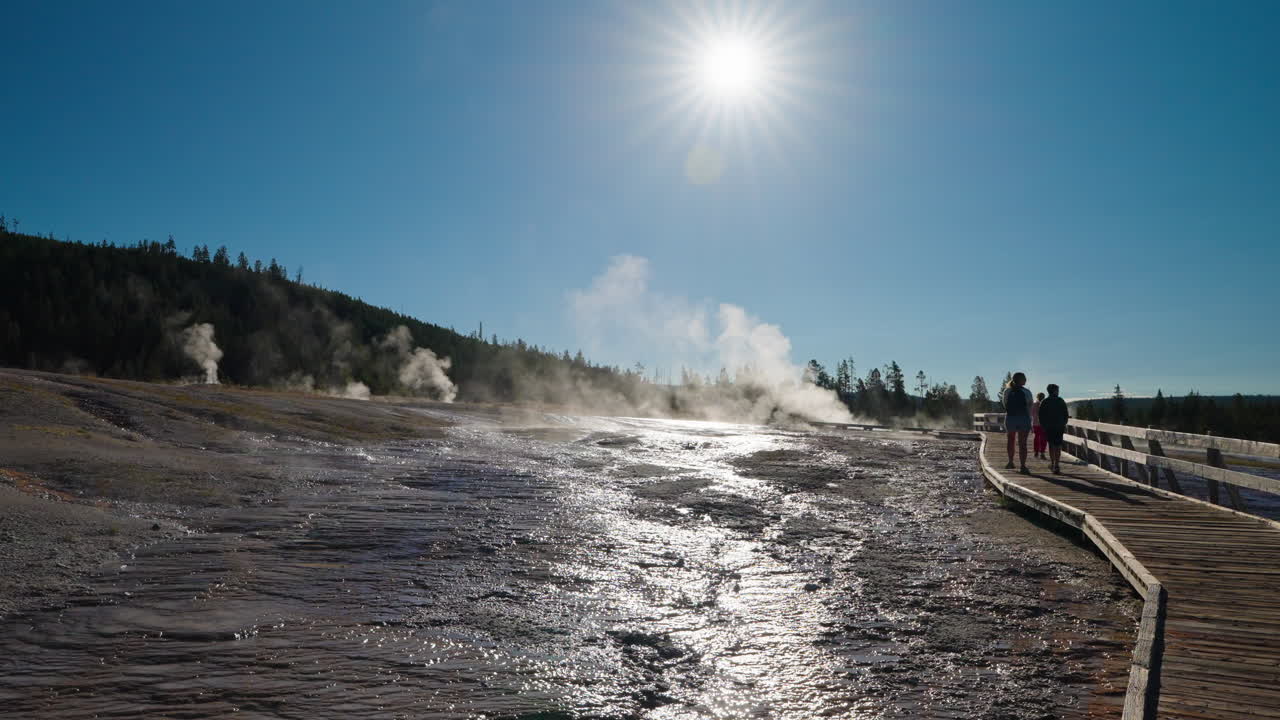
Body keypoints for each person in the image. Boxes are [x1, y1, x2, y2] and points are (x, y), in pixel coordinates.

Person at [1002, 372, 1033, 473]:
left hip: (1011, 418)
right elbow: (1030, 406)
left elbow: (1005, 404)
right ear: (1020, 380)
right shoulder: (1027, 392)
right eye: (1024, 378)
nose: (1026, 380)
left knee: (1010, 440)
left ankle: (1010, 462)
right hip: (1023, 418)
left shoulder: (1007, 391)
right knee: (1022, 443)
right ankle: (1023, 466)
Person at [1039, 384, 1070, 474]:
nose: (1058, 391)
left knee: (1051, 445)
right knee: (1058, 445)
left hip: (1049, 427)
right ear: (1054, 391)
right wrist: (1064, 423)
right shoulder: (1060, 401)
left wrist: (1043, 425)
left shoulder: (1044, 401)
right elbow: (1065, 414)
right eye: (1057, 390)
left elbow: (1041, 415)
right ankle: (1057, 464)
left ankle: (1052, 463)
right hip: (1059, 426)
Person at [1032, 392, 1047, 459]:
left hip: (1036, 423)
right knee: (1043, 438)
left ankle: (1036, 452)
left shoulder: (1034, 404)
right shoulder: (1046, 404)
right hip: (1043, 424)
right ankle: (1042, 453)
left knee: (1037, 438)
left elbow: (1031, 413)